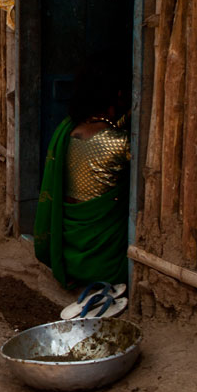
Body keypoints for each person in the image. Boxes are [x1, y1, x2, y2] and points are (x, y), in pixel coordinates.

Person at [33, 72, 131, 291]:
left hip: (69, 258)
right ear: (118, 95)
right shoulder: (119, 143)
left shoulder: (69, 132)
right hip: (104, 264)